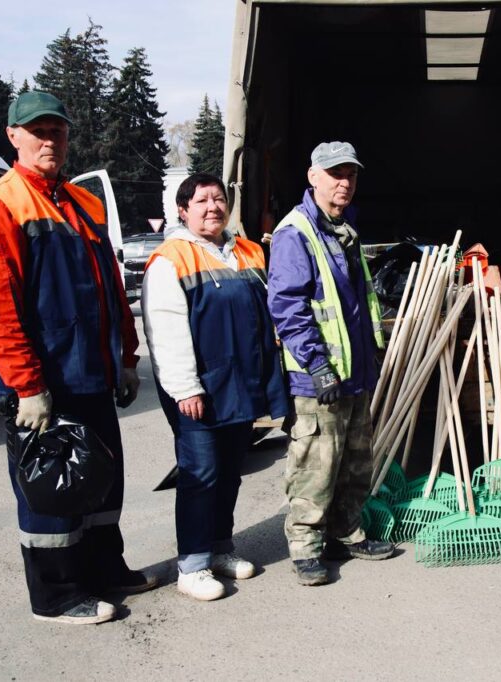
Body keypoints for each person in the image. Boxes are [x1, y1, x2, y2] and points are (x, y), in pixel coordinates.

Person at [0, 91, 153, 624]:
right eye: (38, 131)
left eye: (58, 131)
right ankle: (57, 595)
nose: (49, 139)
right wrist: (27, 385)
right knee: (52, 490)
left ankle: (104, 572)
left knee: (100, 481)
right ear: (13, 136)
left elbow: (112, 290)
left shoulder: (81, 202)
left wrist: (127, 357)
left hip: (91, 374)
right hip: (44, 383)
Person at [142, 173, 289, 601]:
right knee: (200, 474)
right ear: (183, 210)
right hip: (199, 392)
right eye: (202, 201)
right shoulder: (172, 259)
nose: (213, 207)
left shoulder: (247, 251)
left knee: (229, 473)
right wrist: (185, 387)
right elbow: (164, 329)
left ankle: (221, 547)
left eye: (219, 199)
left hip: (241, 386)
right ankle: (192, 564)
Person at [267, 141, 393, 586]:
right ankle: (305, 547)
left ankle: (347, 531)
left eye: (351, 174)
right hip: (320, 374)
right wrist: (317, 364)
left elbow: (358, 304)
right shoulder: (295, 232)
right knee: (315, 463)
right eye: (335, 173)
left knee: (355, 460)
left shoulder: (343, 230)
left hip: (355, 371)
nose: (344, 182)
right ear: (313, 176)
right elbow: (287, 306)